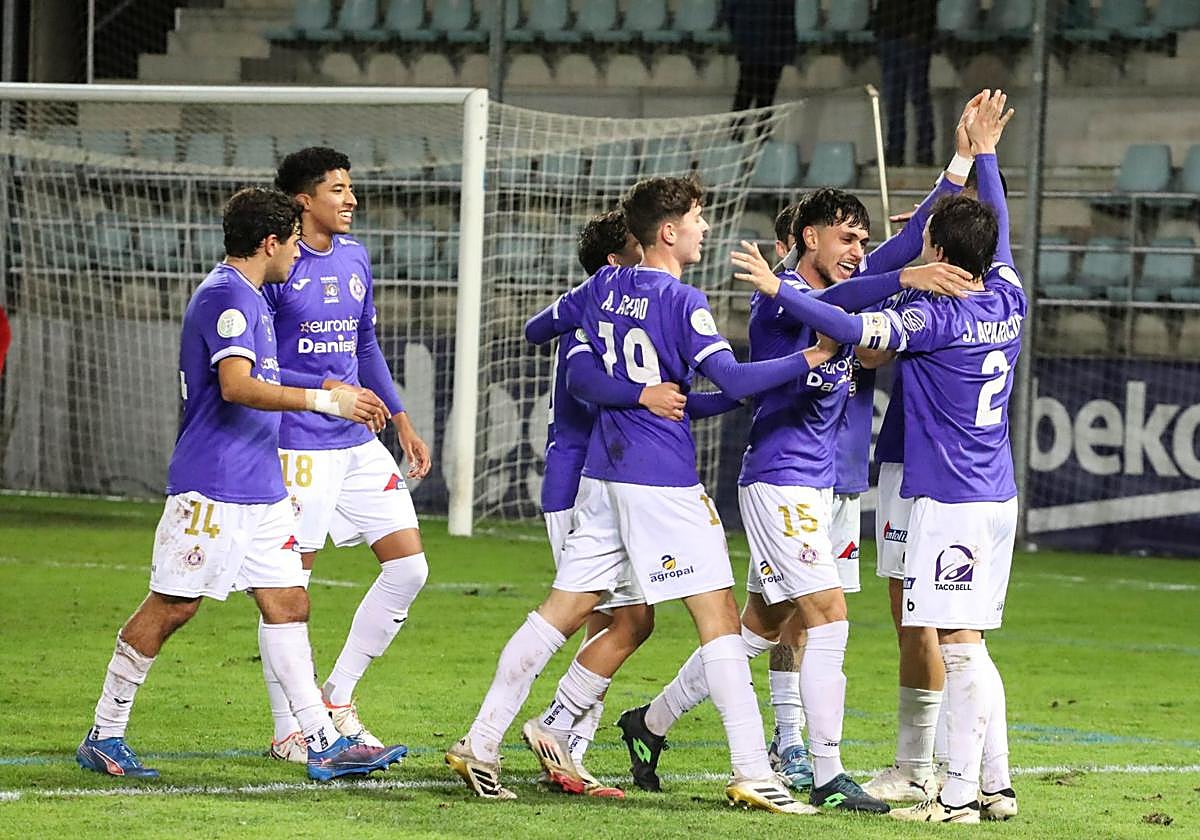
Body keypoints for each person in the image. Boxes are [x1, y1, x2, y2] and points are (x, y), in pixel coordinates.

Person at [447, 174, 837, 814]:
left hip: (602, 479)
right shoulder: (684, 302)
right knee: (716, 617)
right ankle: (751, 770)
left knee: (560, 610)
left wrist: (611, 352)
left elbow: (539, 329)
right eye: (697, 218)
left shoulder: (601, 285)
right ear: (668, 231)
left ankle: (482, 741)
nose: (705, 229)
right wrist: (809, 359)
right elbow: (734, 377)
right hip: (662, 482)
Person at [733, 90, 1022, 824]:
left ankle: (953, 785)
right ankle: (966, 778)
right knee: (793, 616)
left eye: (869, 239)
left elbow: (858, 311)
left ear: (938, 252)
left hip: (922, 487)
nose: (864, 247)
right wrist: (975, 157)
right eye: (847, 237)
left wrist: (796, 290)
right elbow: (987, 234)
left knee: (941, 636)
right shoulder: (1008, 288)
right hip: (920, 485)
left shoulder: (927, 313)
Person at [75, 188, 406, 781]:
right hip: (213, 484)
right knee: (174, 605)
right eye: (293, 246)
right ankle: (105, 731)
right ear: (271, 243)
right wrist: (325, 399)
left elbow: (266, 377)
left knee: (288, 603)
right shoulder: (226, 296)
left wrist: (322, 385)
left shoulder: (250, 295)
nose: (298, 257)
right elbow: (236, 385)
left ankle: (319, 740)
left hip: (261, 484)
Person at [254, 147, 433, 760]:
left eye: (350, 188)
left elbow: (366, 344)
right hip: (300, 442)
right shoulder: (277, 266)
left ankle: (337, 697)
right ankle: (288, 731)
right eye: (337, 189)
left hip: (359, 441)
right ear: (304, 200)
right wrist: (327, 389)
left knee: (410, 568)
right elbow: (266, 360)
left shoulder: (356, 257)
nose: (350, 199)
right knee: (288, 587)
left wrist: (403, 422)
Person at [874, 0, 936, 166]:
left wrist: (919, 31)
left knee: (918, 96)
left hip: (914, 39)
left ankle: (924, 150)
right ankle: (894, 151)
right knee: (893, 99)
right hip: (889, 36)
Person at [722, 0, 795, 134]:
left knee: (750, 95)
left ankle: (740, 136)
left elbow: (729, 10)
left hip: (756, 40)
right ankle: (752, 136)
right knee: (760, 96)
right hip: (770, 41)